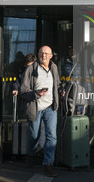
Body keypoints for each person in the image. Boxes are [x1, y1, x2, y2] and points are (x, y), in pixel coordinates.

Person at [20, 46, 64, 177]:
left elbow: (57, 83)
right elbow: (23, 91)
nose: (43, 55)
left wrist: (61, 91)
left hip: (50, 107)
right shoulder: (31, 69)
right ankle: (31, 154)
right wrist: (36, 94)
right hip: (35, 107)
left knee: (52, 136)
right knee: (34, 135)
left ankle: (48, 164)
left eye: (46, 53)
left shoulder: (54, 68)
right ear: (38, 54)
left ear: (51, 56)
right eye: (41, 53)